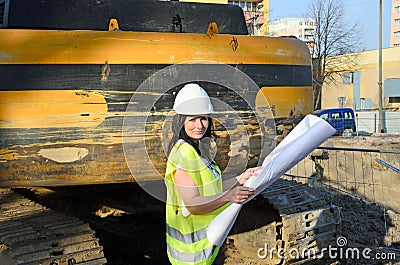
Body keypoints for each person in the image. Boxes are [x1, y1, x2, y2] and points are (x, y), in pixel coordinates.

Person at [164, 83, 261, 265]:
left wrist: (240, 179)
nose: (199, 125)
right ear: (181, 121)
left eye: (204, 119)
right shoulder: (184, 153)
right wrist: (228, 196)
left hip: (206, 250)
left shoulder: (198, 150)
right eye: (192, 119)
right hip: (190, 256)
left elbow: (210, 188)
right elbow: (193, 204)